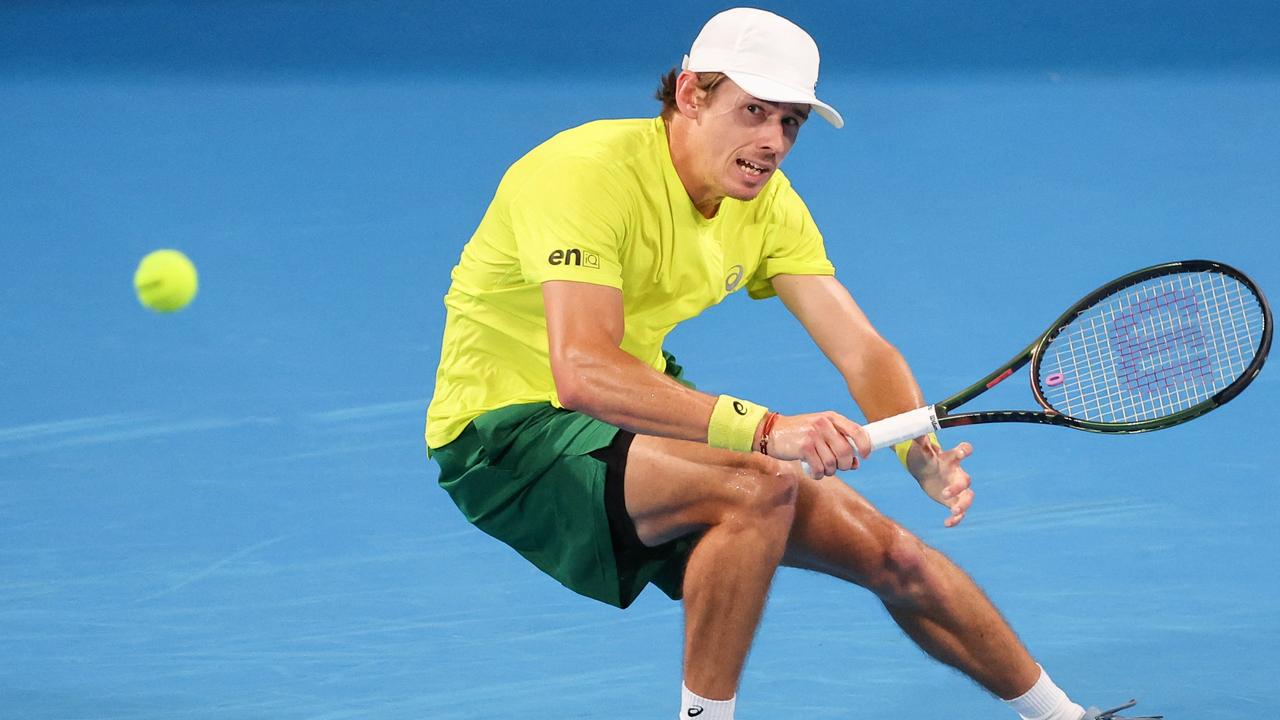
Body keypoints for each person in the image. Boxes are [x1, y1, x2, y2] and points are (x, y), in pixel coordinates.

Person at [426, 8, 1157, 720]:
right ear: (690, 94)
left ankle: (1062, 716)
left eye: (790, 122)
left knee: (893, 554)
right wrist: (770, 429)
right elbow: (582, 370)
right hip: (507, 433)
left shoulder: (768, 204)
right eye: (754, 112)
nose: (773, 141)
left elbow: (861, 348)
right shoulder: (583, 173)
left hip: (632, 413)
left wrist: (917, 449)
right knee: (757, 484)